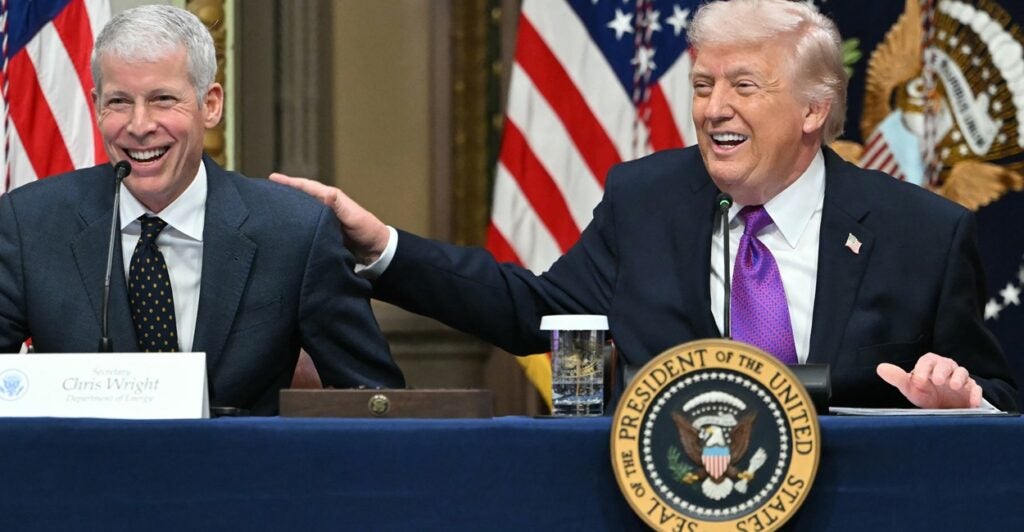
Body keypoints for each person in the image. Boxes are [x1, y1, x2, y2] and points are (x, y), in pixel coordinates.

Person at [272, 0, 1017, 411]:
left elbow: (998, 398)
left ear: (815, 110)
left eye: (743, 86)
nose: (713, 108)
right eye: (702, 85)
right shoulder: (648, 199)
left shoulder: (925, 233)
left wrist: (963, 409)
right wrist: (382, 246)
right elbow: (534, 308)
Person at [0, 5, 404, 414]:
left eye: (162, 100)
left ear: (210, 105)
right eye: (119, 101)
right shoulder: (30, 224)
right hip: (79, 473)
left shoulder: (295, 231)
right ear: (96, 104)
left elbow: (374, 401)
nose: (139, 125)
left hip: (238, 472)